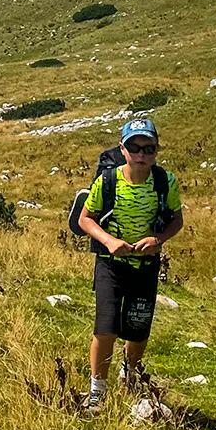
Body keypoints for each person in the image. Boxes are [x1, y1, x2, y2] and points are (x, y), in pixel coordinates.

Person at [75, 118, 184, 414]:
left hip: (145, 265)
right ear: (123, 149)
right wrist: (109, 242)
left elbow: (177, 219)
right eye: (134, 146)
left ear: (156, 150)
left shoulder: (166, 182)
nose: (141, 153)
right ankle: (97, 390)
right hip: (110, 264)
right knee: (106, 327)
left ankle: (130, 375)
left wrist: (158, 239)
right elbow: (85, 219)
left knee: (137, 330)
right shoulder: (107, 181)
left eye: (148, 148)